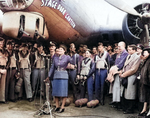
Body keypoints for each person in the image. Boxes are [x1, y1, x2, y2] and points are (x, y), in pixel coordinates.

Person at [47, 44, 71, 113]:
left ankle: (62, 107)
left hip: (63, 76)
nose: (59, 50)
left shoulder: (67, 57)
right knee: (56, 92)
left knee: (63, 92)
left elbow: (73, 62)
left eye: (61, 49)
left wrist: (70, 59)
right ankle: (57, 106)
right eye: (59, 49)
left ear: (64, 51)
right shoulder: (55, 58)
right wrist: (49, 75)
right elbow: (52, 67)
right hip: (56, 75)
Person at [119, 44, 141, 114]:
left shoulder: (137, 57)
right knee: (126, 93)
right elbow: (124, 66)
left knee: (131, 94)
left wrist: (124, 74)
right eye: (128, 49)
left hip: (131, 76)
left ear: (134, 50)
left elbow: (133, 69)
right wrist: (122, 72)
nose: (128, 51)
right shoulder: (129, 56)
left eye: (130, 50)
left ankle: (130, 109)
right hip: (126, 76)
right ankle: (126, 107)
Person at [109, 41, 128, 109]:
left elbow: (121, 64)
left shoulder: (125, 54)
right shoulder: (119, 53)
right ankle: (116, 101)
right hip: (116, 72)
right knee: (116, 87)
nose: (118, 48)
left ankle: (119, 103)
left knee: (119, 88)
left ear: (123, 46)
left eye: (120, 46)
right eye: (118, 46)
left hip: (120, 72)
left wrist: (115, 68)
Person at [138, 47, 150, 117]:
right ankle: (144, 110)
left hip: (147, 82)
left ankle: (147, 112)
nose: (143, 54)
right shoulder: (146, 60)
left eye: (145, 53)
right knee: (146, 97)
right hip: (145, 81)